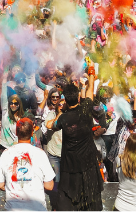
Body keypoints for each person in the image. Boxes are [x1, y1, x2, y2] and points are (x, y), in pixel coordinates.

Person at [45, 69, 102, 211]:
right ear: (77, 98)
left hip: (70, 165)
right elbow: (89, 92)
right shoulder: (85, 109)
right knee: (89, 198)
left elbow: (50, 125)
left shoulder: (63, 118)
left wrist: (61, 111)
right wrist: (91, 75)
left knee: (70, 199)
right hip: (88, 163)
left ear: (65, 100)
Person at [0, 117, 55, 211]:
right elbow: (49, 186)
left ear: (17, 133)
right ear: (32, 133)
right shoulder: (40, 154)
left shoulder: (6, 153)